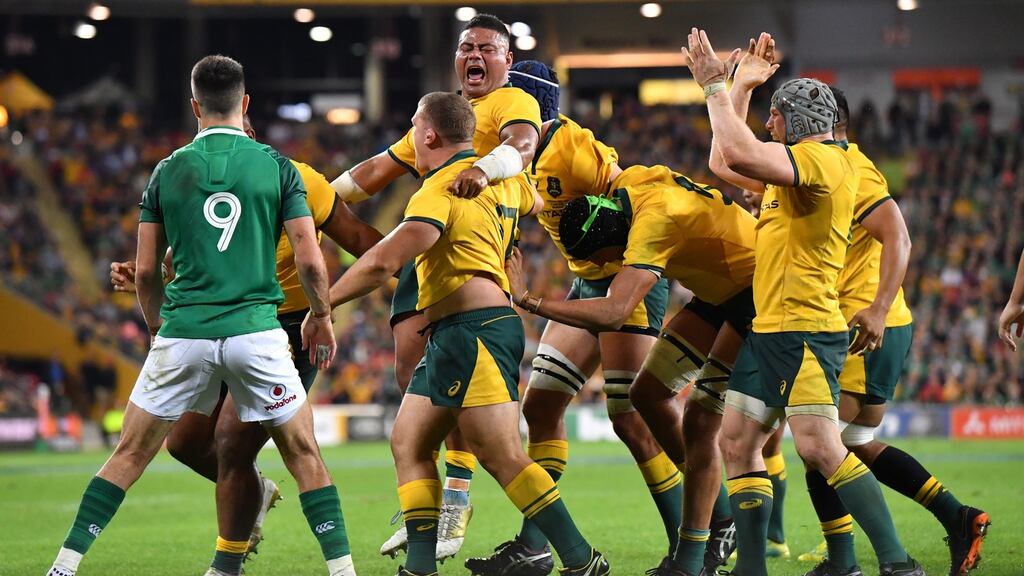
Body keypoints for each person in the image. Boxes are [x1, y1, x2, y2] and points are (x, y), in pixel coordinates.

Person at [46, 55, 355, 576]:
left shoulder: (167, 170)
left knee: (128, 456)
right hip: (257, 331)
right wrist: (321, 314)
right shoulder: (278, 166)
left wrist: (157, 330)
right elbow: (309, 258)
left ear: (194, 106)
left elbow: (147, 273)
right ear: (246, 102)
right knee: (305, 456)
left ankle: (64, 565)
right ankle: (343, 571)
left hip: (186, 329)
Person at [318, 91, 609, 576]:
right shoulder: (505, 182)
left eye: (414, 124)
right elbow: (536, 199)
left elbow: (382, 263)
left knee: (502, 456)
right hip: (462, 331)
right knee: (408, 443)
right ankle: (419, 567)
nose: (411, 133)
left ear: (429, 134)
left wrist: (320, 305)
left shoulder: (439, 190)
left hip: (474, 332)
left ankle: (582, 560)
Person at [686, 29, 924, 576]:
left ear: (796, 122)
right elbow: (727, 160)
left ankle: (897, 561)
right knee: (738, 439)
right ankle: (752, 566)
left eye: (774, 116)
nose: (769, 125)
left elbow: (742, 150)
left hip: (806, 329)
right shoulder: (794, 168)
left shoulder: (824, 163)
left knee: (820, 447)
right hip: (770, 329)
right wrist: (739, 84)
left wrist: (715, 87)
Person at [108, 114, 384, 567]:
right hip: (222, 322)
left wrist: (333, 303)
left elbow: (364, 242)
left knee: (233, 440)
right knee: (183, 444)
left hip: (291, 328)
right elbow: (185, 264)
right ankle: (256, 491)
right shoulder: (202, 188)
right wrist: (149, 275)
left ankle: (226, 562)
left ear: (251, 138)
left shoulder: (297, 179)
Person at [330, 13, 541, 559]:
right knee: (411, 370)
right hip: (429, 241)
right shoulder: (440, 115)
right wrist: (306, 199)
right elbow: (374, 172)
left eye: (488, 49)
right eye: (467, 46)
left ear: (506, 62)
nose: (475, 55)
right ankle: (429, 500)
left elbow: (522, 147)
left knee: (459, 391)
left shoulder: (513, 103)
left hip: (466, 245)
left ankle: (454, 496)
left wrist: (486, 171)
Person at [791, 87, 989, 576]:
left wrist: (876, 308)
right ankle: (957, 515)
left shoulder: (851, 169)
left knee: (819, 445)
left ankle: (849, 560)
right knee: (850, 446)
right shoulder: (828, 166)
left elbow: (899, 235)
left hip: (863, 327)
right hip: (877, 325)